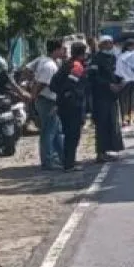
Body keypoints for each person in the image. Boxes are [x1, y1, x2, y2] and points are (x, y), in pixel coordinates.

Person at [30, 39, 68, 170]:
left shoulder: (50, 62)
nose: (64, 51)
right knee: (48, 132)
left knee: (56, 131)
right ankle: (48, 161)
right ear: (56, 50)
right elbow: (41, 84)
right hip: (47, 101)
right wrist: (33, 98)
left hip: (50, 101)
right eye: (62, 48)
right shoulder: (49, 66)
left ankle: (62, 158)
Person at [87, 36, 125, 162]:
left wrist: (121, 82)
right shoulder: (96, 59)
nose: (110, 45)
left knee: (112, 123)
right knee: (102, 124)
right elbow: (93, 77)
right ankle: (100, 153)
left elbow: (117, 73)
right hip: (101, 97)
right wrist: (108, 85)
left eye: (111, 43)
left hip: (112, 96)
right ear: (102, 45)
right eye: (107, 43)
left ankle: (109, 149)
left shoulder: (113, 58)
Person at [53, 43, 88, 172]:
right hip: (73, 106)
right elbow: (71, 85)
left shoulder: (66, 64)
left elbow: (53, 84)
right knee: (73, 135)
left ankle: (69, 161)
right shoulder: (77, 66)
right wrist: (69, 96)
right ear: (82, 53)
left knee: (68, 134)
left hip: (63, 105)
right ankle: (69, 164)